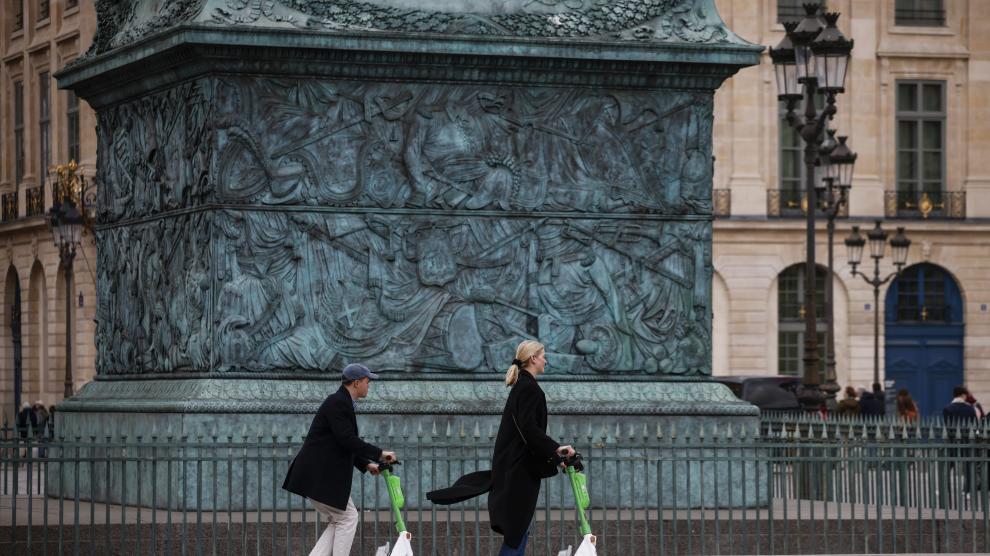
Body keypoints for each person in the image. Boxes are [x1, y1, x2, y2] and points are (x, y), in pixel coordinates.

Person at [282, 363, 397, 556]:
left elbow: (341, 442)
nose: (369, 385)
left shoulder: (341, 402)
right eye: (367, 381)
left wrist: (366, 464)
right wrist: (379, 453)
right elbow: (346, 439)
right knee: (348, 518)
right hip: (319, 477)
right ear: (356, 383)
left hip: (317, 477)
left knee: (340, 520)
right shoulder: (337, 402)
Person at [489, 340, 575, 556]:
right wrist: (557, 449)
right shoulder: (529, 388)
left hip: (515, 468)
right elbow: (529, 430)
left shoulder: (522, 386)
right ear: (533, 358)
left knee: (519, 531)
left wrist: (556, 456)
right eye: (543, 355)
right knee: (517, 533)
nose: (546, 360)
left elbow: (526, 433)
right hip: (519, 471)